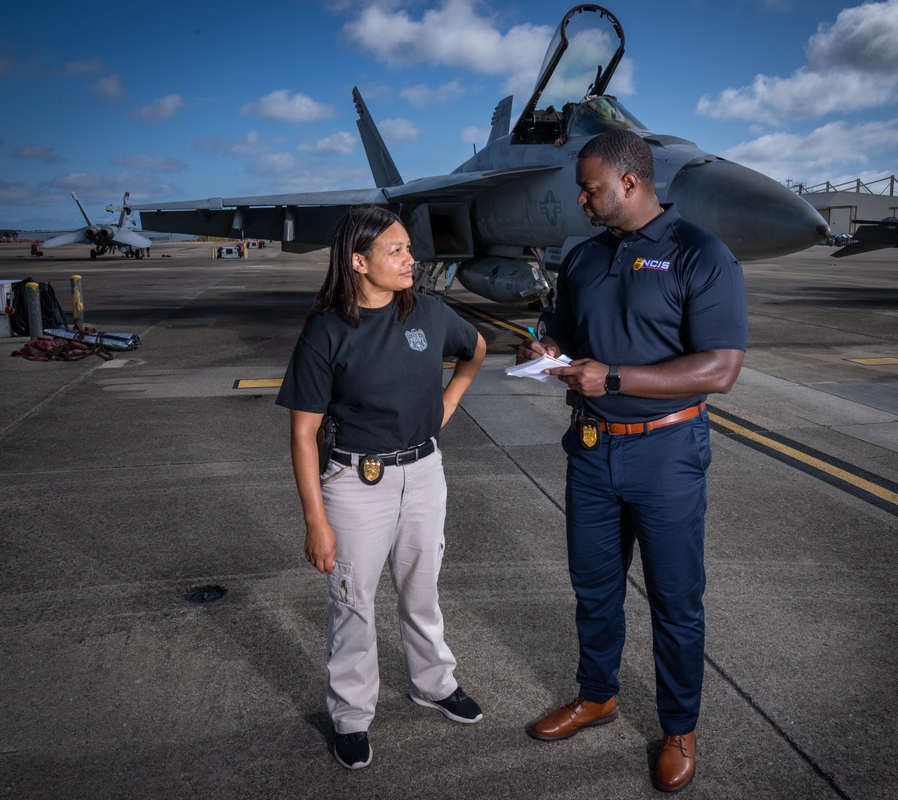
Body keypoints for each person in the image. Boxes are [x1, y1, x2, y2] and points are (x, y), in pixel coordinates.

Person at [518, 129, 747, 793]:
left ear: (629, 182)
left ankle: (679, 728)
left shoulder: (702, 256)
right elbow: (564, 328)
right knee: (593, 591)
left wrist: (613, 379)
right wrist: (546, 349)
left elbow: (721, 368)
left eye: (590, 188)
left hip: (667, 453)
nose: (582, 199)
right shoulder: (584, 258)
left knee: (676, 603)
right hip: (590, 453)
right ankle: (597, 696)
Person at [277, 205, 487, 770]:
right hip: (355, 484)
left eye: (408, 249)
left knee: (422, 591)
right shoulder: (327, 331)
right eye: (395, 251)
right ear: (357, 261)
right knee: (354, 603)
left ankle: (434, 684)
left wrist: (445, 405)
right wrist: (315, 521)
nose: (410, 259)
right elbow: (303, 434)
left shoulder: (429, 314)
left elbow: (476, 350)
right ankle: (350, 714)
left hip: (424, 474)